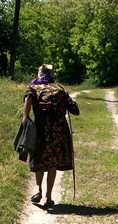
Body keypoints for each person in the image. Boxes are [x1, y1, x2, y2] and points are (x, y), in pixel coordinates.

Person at [22, 64, 79, 208]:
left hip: (41, 126)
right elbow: (74, 109)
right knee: (52, 161)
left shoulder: (33, 87)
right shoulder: (59, 88)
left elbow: (28, 99)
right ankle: (48, 197)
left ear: (39, 74)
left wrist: (25, 118)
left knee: (39, 158)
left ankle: (38, 190)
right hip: (57, 128)